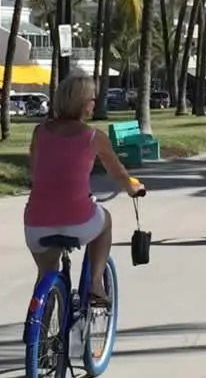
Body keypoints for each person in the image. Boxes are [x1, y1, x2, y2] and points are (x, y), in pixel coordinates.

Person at [25, 72, 144, 307]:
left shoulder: (40, 132)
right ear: (83, 104)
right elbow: (119, 174)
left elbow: (34, 170)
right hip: (78, 222)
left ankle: (41, 320)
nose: (94, 104)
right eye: (92, 99)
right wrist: (133, 187)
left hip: (36, 224)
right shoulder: (94, 137)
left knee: (45, 272)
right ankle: (96, 284)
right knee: (105, 222)